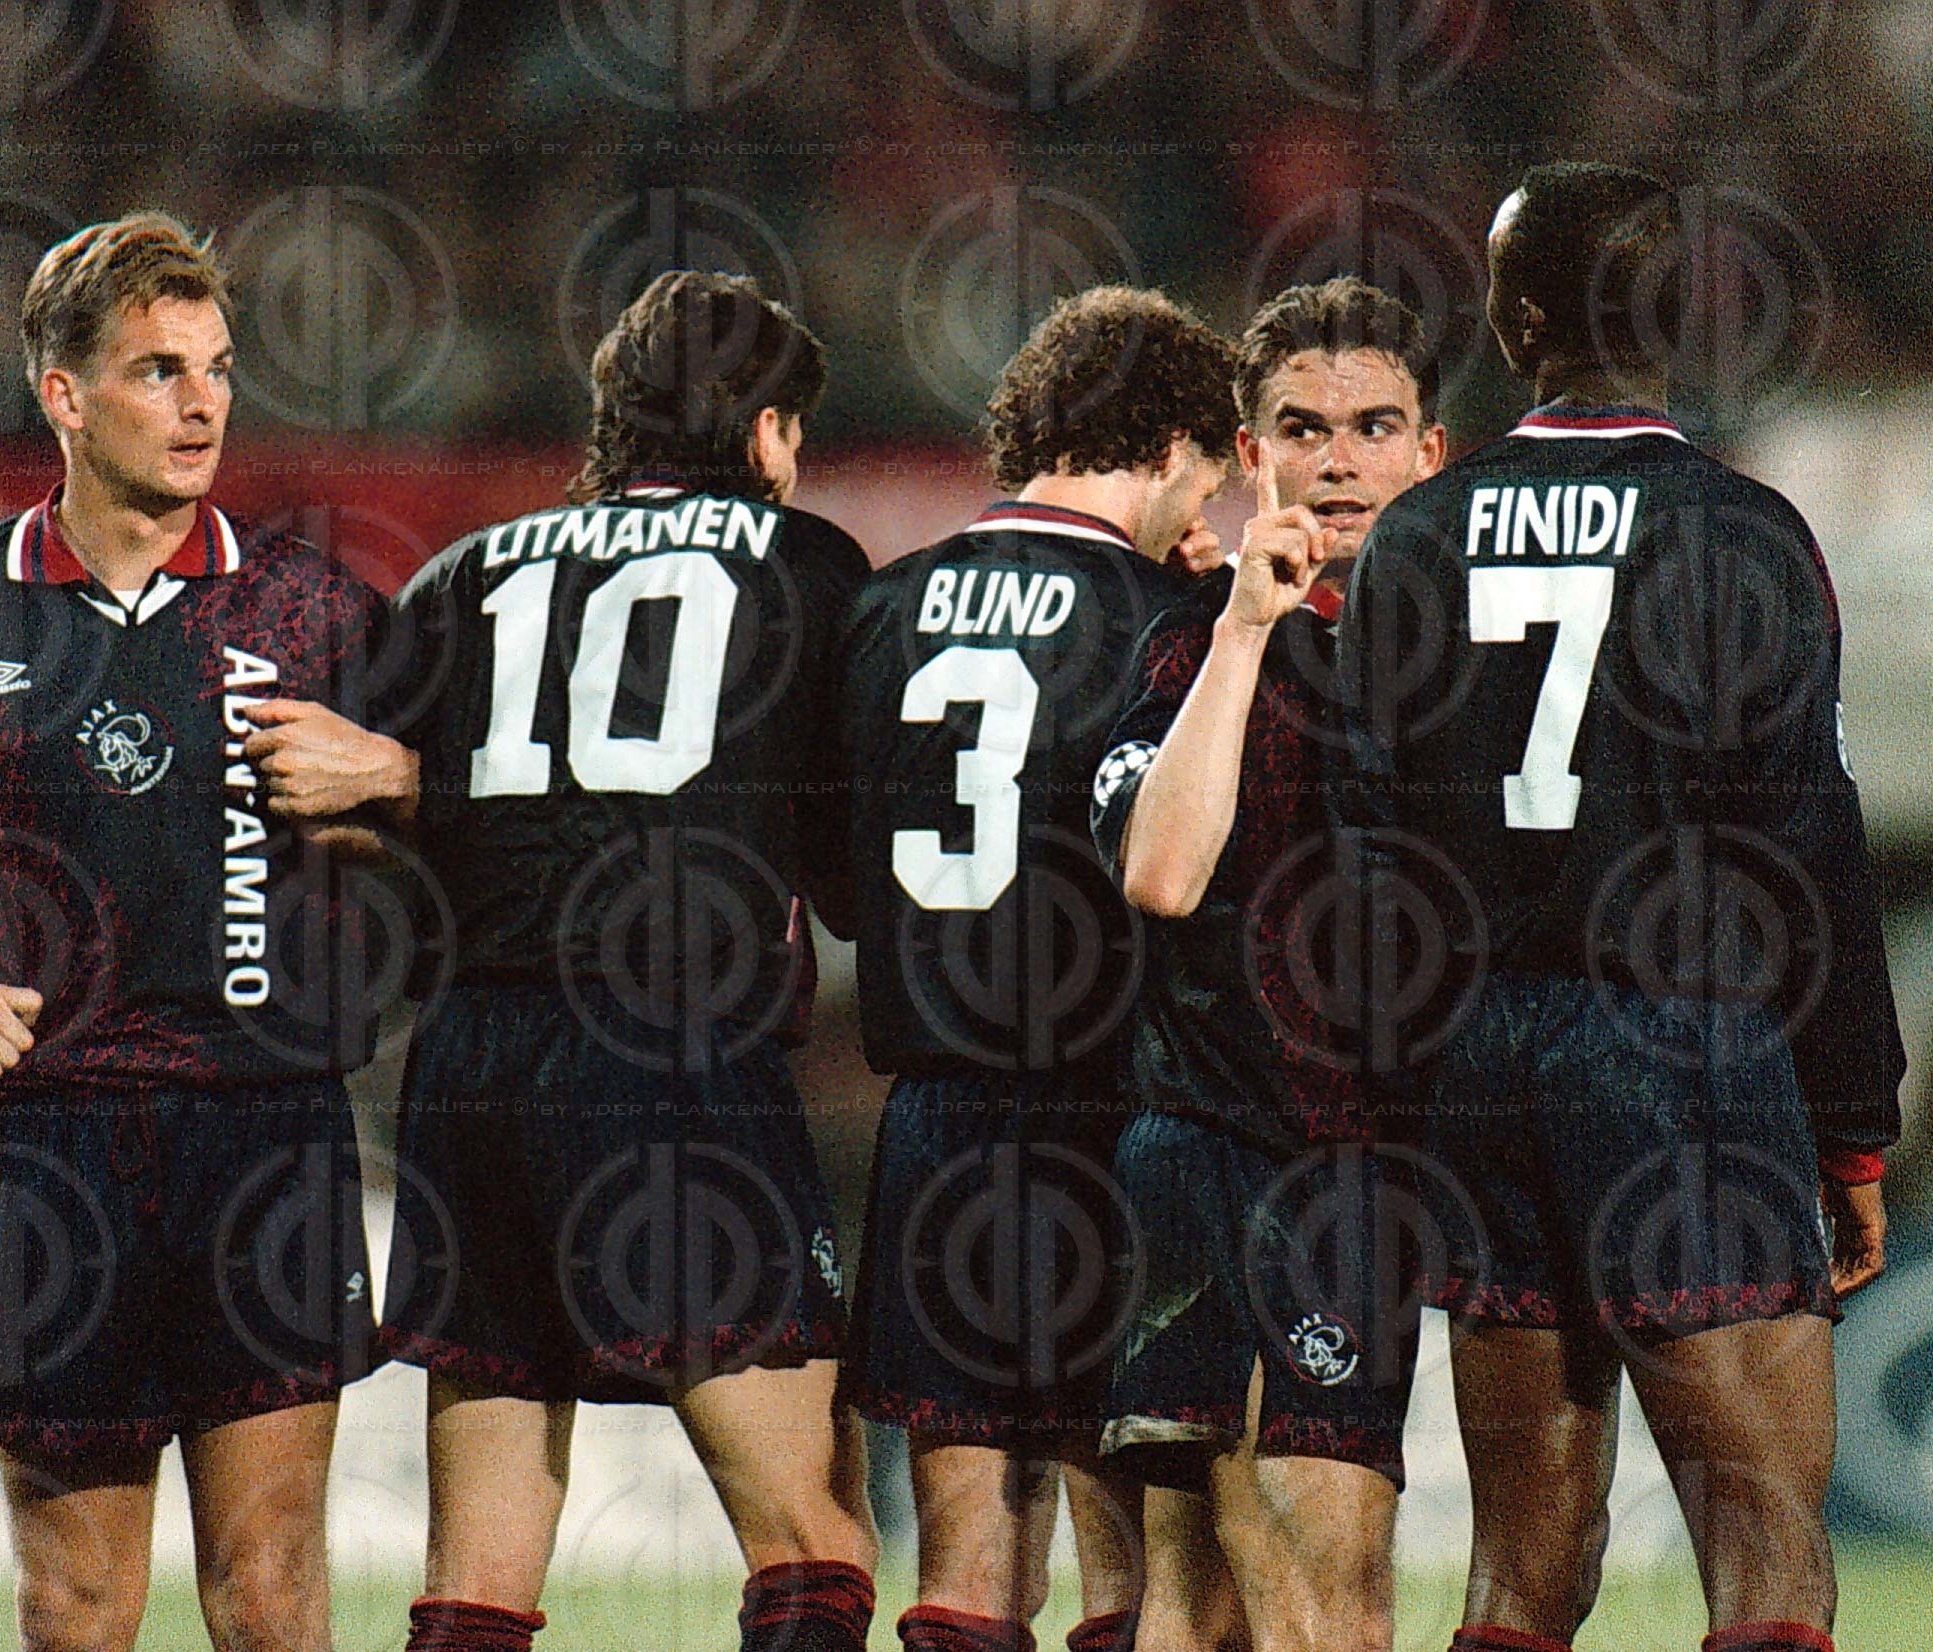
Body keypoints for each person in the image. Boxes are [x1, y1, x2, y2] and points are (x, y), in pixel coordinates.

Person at [0, 211, 388, 1652]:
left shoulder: (310, 606)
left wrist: (400, 776)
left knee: (272, 1595)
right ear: (66, 395)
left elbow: (472, 816)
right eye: (160, 371)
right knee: (75, 1604)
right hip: (60, 1149)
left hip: (269, 1133)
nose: (203, 403)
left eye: (217, 369)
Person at [242, 269, 880, 1652]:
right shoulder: (808, 565)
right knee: (817, 1540)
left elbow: (338, 808)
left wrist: (432, 805)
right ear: (767, 432)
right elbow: (847, 865)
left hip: (470, 1068)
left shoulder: (463, 573)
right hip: (670, 1054)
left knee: (478, 1568)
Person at [1335, 162, 1902, 1652]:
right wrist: (1854, 1123)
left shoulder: (1413, 538)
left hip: (1483, 1066)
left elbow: (1370, 867)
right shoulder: (1743, 531)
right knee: (1768, 1562)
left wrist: (1402, 1109)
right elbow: (1813, 848)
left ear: (1515, 325)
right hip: (1684, 1043)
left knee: (1521, 1575)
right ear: (1678, 315)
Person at [838, 286, 1239, 1652]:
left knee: (965, 1572)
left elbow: (838, 875)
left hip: (937, 1120)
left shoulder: (883, 606)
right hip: (1108, 1113)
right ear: (1175, 447)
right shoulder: (1167, 622)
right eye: (1209, 478)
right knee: (1139, 1572)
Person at [1089, 278, 1447, 1652]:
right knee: (1233, 1596)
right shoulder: (1186, 640)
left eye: (1373, 426)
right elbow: (1162, 875)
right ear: (1251, 454)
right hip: (1212, 1147)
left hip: (1377, 1168)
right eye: (1302, 427)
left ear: (1429, 451)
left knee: (1305, 1587)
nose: (1337, 459)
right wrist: (1244, 627)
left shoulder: (1472, 651)